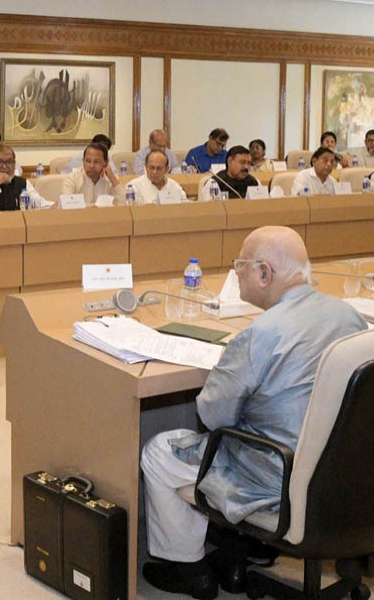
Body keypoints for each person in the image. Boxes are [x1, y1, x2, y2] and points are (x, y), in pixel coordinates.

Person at [140, 226, 366, 597]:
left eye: (239, 265)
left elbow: (214, 416)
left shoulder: (260, 333)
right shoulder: (348, 316)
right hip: (341, 474)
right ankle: (242, 547)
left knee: (160, 451)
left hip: (276, 477)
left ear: (264, 272)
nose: (236, 272)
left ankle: (189, 568)